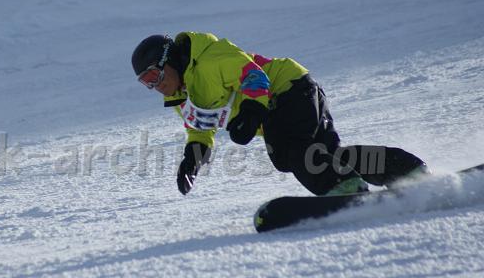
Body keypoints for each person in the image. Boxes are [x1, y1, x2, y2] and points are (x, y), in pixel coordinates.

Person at [131, 32, 428, 196]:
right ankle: (404, 169)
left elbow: (254, 76)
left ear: (169, 60)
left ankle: (344, 188)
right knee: (323, 156)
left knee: (291, 154)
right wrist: (192, 160)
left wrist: (250, 112)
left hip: (286, 89)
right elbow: (200, 128)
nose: (155, 86)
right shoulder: (180, 97)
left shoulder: (210, 58)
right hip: (292, 92)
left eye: (154, 75)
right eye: (146, 83)